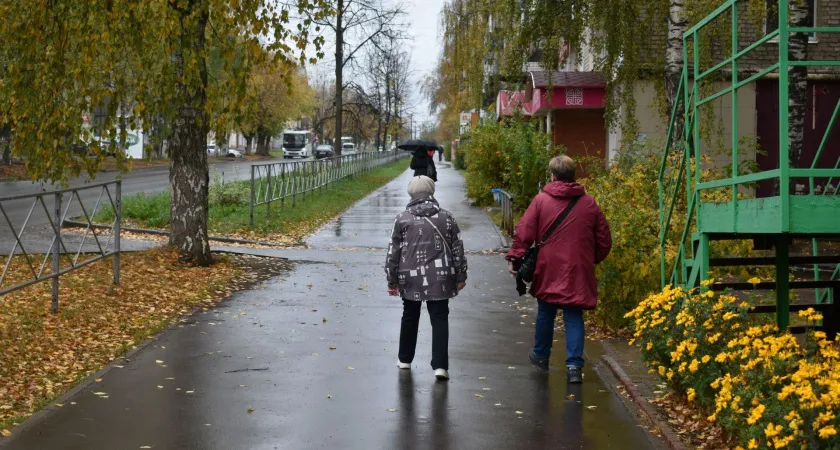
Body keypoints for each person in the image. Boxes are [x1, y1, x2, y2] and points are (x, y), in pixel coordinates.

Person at [505, 155, 612, 383]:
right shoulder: (589, 203)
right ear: (573, 176)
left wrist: (515, 256)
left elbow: (524, 231)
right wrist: (590, 259)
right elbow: (604, 239)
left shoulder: (541, 200)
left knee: (546, 311)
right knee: (573, 314)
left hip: (548, 266)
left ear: (552, 176)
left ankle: (541, 356)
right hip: (577, 268)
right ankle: (574, 367)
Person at [385, 176, 467, 381]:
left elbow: (393, 252)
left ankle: (405, 359)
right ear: (432, 192)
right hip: (440, 277)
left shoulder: (402, 219)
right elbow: (457, 248)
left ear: (411, 193)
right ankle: (440, 366)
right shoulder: (447, 218)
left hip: (410, 276)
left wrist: (392, 279)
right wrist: (460, 274)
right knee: (439, 318)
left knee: (409, 315)